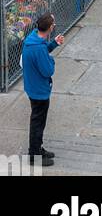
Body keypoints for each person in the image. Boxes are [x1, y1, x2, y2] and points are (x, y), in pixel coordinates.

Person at [22, 11, 64, 166]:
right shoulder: (38, 49)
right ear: (50, 28)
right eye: (53, 24)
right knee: (38, 123)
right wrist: (51, 60)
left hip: (33, 87)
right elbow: (48, 70)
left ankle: (37, 148)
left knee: (38, 121)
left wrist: (53, 44)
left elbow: (43, 49)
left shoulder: (33, 39)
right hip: (39, 91)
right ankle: (34, 155)